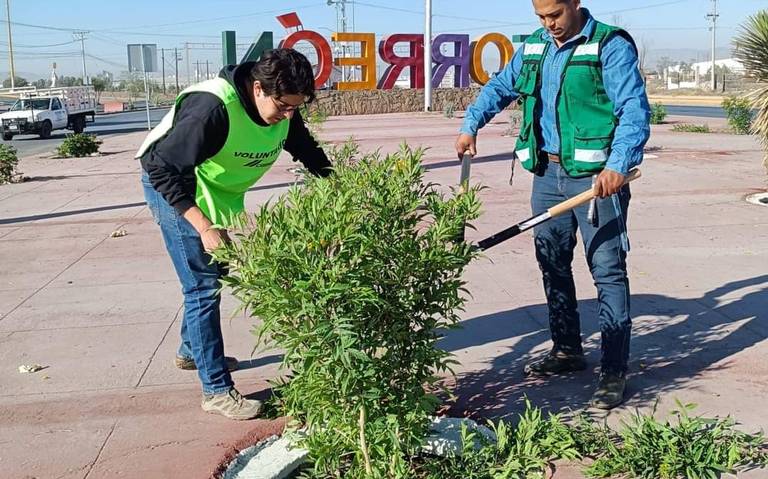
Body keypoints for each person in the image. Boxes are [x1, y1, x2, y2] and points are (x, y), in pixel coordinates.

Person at [456, 0, 650, 409]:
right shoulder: (534, 47)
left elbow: (633, 109)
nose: (549, 25)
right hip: (547, 175)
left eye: (555, 15)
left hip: (597, 181)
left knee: (608, 272)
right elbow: (500, 87)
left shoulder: (609, 46)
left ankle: (613, 370)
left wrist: (618, 165)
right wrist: (471, 123)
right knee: (553, 263)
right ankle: (567, 350)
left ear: (575, 4)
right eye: (541, 17)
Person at [137, 49, 332, 420]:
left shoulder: (283, 105)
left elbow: (304, 147)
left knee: (212, 275)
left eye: (296, 107)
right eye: (283, 106)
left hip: (214, 186)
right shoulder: (212, 109)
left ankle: (191, 351)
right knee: (202, 286)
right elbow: (160, 167)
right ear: (258, 88)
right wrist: (204, 225)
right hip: (175, 187)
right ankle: (216, 390)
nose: (288, 115)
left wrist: (338, 187)